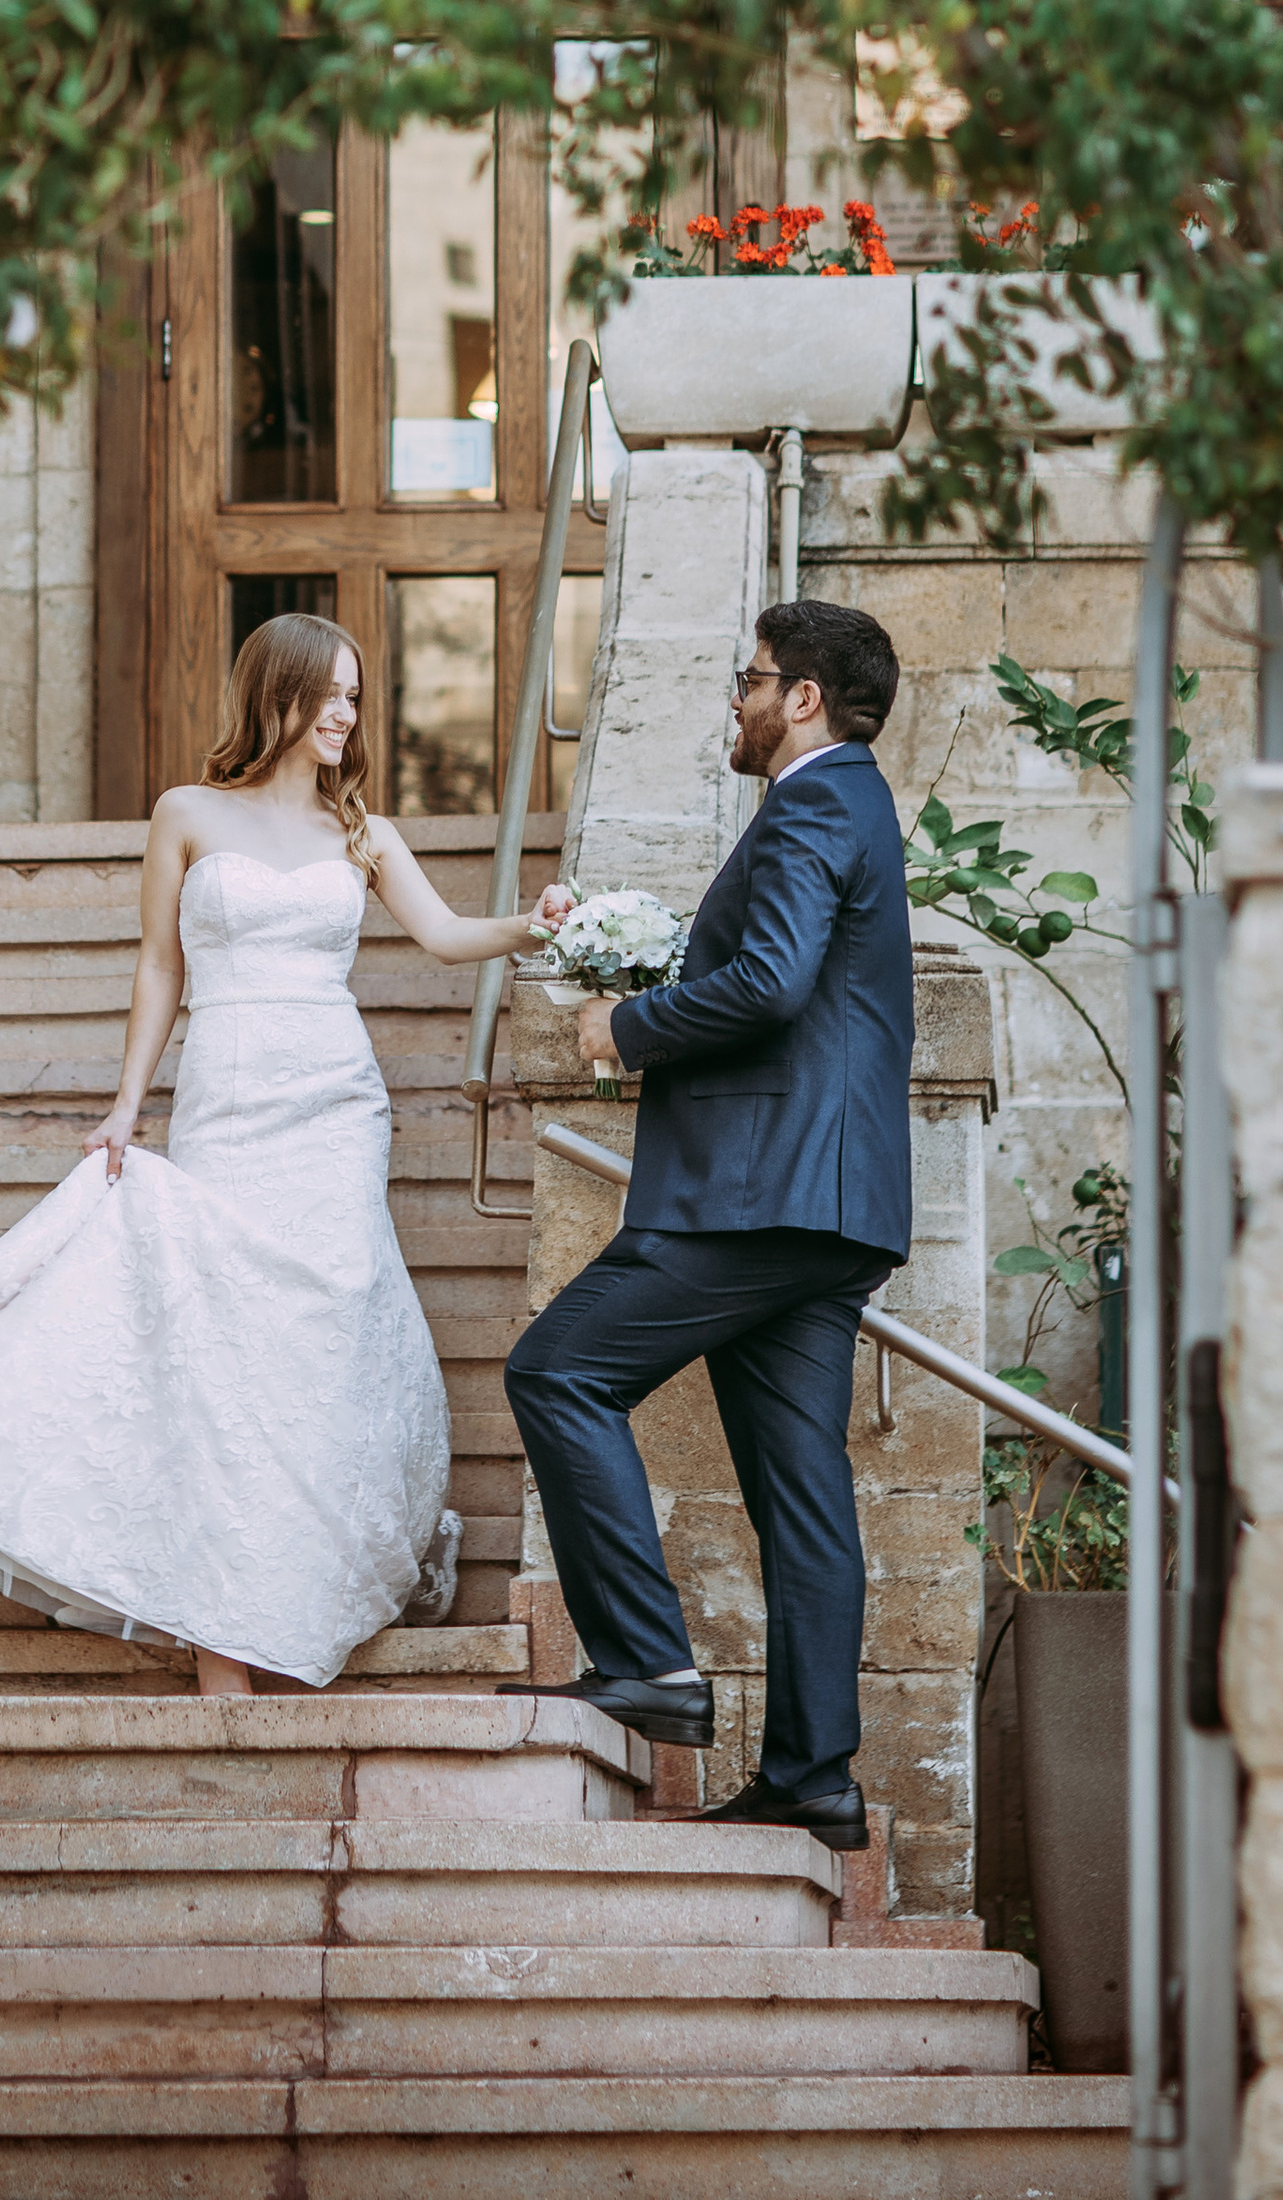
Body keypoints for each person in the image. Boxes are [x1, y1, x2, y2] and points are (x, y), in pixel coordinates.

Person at [0, 611, 550, 1693]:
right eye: (330, 695)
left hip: (332, 1104)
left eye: (357, 699)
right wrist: (128, 1104)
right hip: (228, 1095)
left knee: (325, 1338)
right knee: (225, 1349)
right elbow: (160, 968)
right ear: (275, 693)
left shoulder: (359, 831)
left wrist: (535, 929)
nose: (346, 717)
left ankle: (288, 1596)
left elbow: (447, 936)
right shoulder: (186, 813)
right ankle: (220, 1627)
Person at [498, 594, 914, 1846]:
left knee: (557, 1370)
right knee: (802, 1497)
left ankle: (650, 1664)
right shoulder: (856, 810)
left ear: (801, 698)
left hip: (755, 1192)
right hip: (830, 1208)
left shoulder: (809, 803)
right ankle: (812, 1778)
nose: (732, 702)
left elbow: (774, 981)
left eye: (750, 680)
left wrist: (626, 1025)